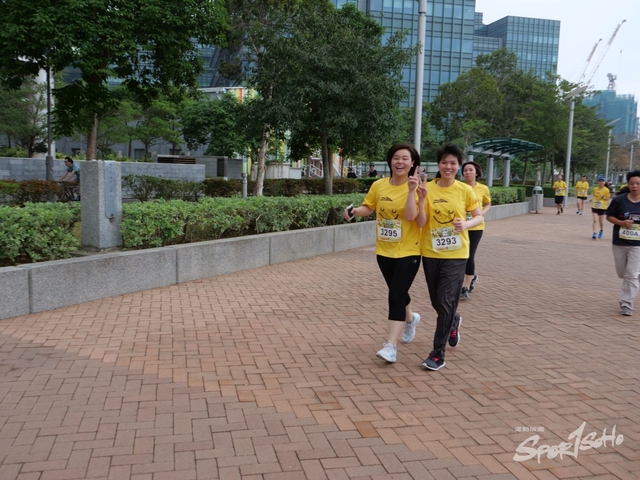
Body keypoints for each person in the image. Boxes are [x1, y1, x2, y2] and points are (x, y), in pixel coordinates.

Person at [345, 143, 422, 364]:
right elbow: (369, 207)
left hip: (409, 250)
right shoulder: (379, 185)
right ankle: (411, 319)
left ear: (413, 163)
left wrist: (411, 190)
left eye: (405, 158)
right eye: (396, 157)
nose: (400, 162)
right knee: (398, 292)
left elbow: (411, 217)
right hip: (384, 250)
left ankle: (391, 346)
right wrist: (355, 212)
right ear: (390, 161)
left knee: (395, 295)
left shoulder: (418, 188)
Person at [416, 143, 482, 371]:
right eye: (444, 162)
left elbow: (478, 217)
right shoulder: (426, 188)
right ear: (438, 165)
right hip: (430, 252)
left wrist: (466, 224)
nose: (448, 166)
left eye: (453, 163)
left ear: (458, 166)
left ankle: (437, 354)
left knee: (445, 302)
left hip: (456, 254)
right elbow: (421, 222)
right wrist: (421, 200)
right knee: (437, 301)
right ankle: (453, 321)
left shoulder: (465, 190)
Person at [605, 170, 640, 316]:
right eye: (632, 183)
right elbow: (609, 216)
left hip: (638, 244)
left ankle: (626, 304)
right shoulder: (619, 200)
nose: (635, 186)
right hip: (620, 242)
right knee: (622, 273)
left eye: (638, 183)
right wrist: (621, 222)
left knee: (631, 274)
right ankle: (635, 275)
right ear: (628, 184)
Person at [460, 161, 491, 299]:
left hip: (476, 227)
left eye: (470, 170)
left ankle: (466, 286)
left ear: (476, 173)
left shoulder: (483, 188)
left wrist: (481, 214)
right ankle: (469, 278)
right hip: (461, 226)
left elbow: (488, 203)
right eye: (465, 170)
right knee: (460, 255)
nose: (467, 172)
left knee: (469, 255)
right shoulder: (459, 187)